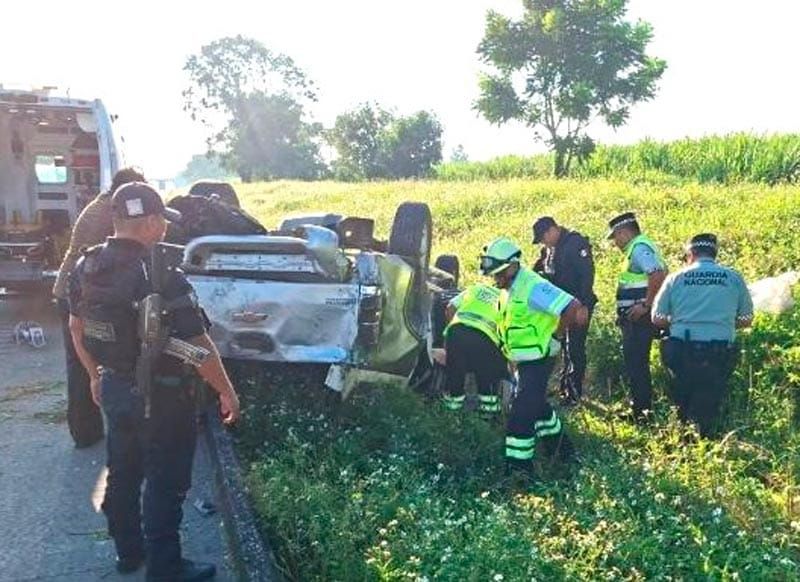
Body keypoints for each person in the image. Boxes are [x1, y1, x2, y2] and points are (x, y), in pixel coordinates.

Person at [68, 182, 241, 581]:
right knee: (165, 482)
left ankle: (128, 553)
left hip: (115, 387)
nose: (165, 226)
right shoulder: (163, 276)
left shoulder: (87, 266)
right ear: (148, 223)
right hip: (163, 397)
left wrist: (94, 374)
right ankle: (165, 567)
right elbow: (198, 345)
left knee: (123, 471)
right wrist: (226, 391)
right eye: (162, 219)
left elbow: (76, 328)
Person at [480, 237, 588, 477]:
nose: (496, 279)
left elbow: (572, 307)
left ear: (512, 266)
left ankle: (519, 471)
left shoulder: (532, 285)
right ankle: (564, 452)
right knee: (537, 406)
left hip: (540, 359)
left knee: (521, 413)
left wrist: (556, 337)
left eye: (499, 274)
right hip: (523, 361)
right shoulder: (508, 290)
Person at [53, 167, 145, 447]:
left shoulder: (103, 204)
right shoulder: (109, 212)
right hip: (77, 292)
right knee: (83, 361)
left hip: (74, 288)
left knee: (82, 360)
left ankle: (86, 430)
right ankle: (85, 431)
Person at [652, 234, 753, 437]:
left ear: (691, 253)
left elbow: (657, 318)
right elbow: (747, 318)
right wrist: (722, 323)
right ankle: (704, 440)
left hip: (682, 350)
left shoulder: (676, 278)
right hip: (719, 352)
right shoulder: (733, 277)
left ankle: (683, 438)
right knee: (709, 400)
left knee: (683, 398)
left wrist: (680, 322)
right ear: (714, 253)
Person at [607, 212, 667, 420]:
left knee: (637, 365)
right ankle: (641, 409)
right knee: (637, 364)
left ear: (623, 233)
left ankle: (641, 413)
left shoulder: (639, 248)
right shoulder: (640, 247)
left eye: (615, 237)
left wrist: (646, 305)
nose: (615, 242)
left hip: (639, 319)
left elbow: (657, 274)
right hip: (636, 318)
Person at [532, 216, 597, 405]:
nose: (543, 243)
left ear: (552, 230)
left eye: (544, 238)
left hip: (577, 304)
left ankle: (574, 393)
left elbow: (587, 275)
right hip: (559, 306)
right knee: (564, 348)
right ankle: (564, 388)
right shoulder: (549, 250)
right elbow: (538, 271)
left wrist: (583, 305)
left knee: (575, 348)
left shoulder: (575, 243)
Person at [441, 283, 507, 415]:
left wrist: (448, 332)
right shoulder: (508, 299)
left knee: (455, 375)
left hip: (457, 332)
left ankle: (451, 414)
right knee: (487, 377)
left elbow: (450, 307)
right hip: (485, 338)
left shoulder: (477, 288)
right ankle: (488, 415)